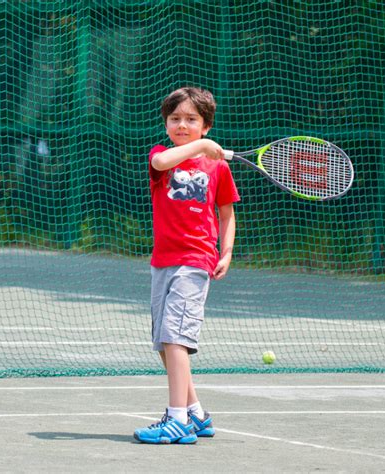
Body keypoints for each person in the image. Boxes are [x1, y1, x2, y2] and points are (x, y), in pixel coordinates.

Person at [133, 87, 240, 444]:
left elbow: (226, 214)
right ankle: (196, 414)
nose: (182, 125)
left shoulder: (218, 167)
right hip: (162, 261)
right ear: (165, 124)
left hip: (195, 262)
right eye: (175, 119)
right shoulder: (161, 156)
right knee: (165, 343)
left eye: (191, 120)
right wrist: (200, 147)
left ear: (205, 125)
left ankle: (177, 420)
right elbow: (163, 164)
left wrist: (225, 252)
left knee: (175, 337)